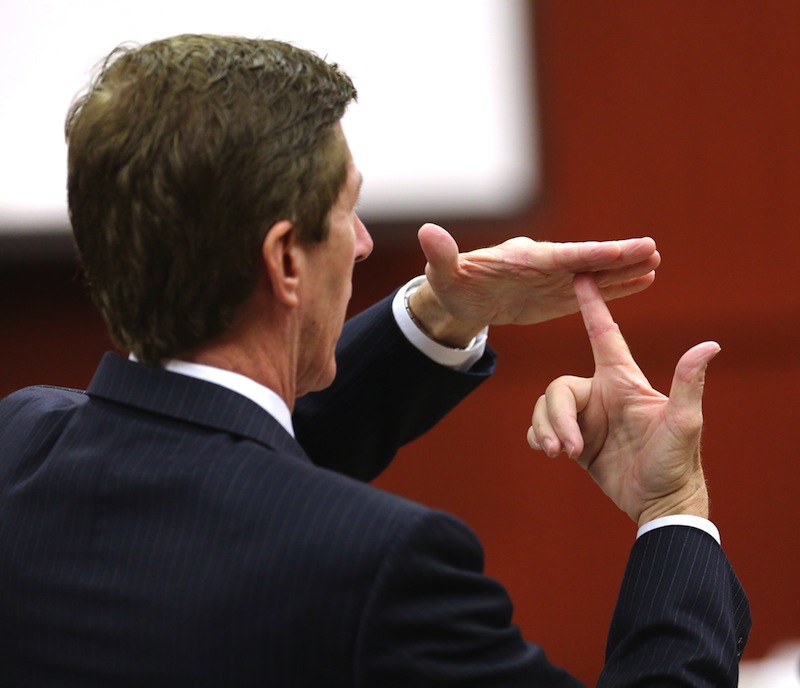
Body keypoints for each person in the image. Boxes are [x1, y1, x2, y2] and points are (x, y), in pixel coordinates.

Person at [0, 34, 748, 687]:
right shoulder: (383, 570)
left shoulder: (22, 445)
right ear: (286, 260)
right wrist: (672, 511)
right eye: (347, 212)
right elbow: (260, 507)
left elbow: (214, 475)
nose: (362, 243)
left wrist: (443, 312)